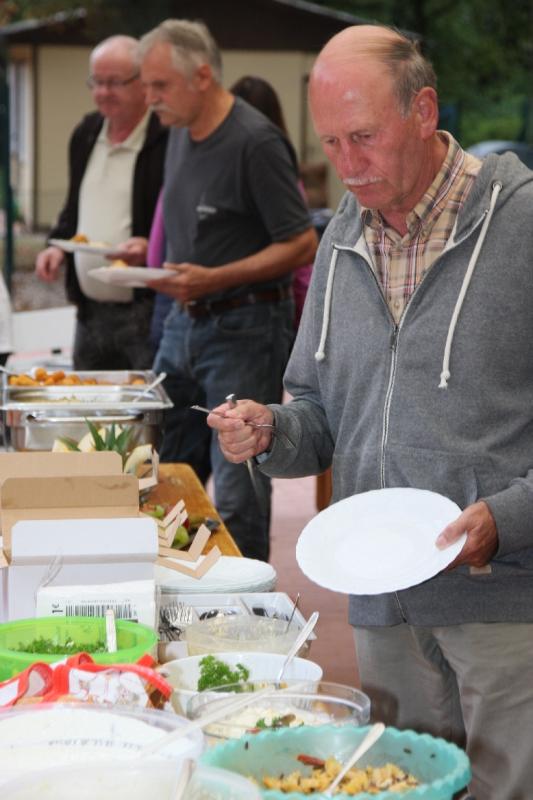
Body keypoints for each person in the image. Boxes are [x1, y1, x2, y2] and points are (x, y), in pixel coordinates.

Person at [207, 24, 533, 800]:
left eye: (363, 137)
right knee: (397, 785)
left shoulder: (520, 225)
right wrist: (270, 430)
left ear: (422, 111)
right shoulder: (341, 237)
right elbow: (319, 410)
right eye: (329, 142)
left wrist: (509, 518)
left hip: (501, 597)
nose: (345, 165)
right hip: (378, 600)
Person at [138, 19, 317, 561]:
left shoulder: (255, 141)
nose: (150, 99)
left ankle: (248, 604)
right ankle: (171, 588)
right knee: (159, 470)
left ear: (202, 76)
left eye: (160, 86)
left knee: (239, 494)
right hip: (182, 322)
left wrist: (214, 278)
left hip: (244, 328)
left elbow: (302, 242)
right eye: (146, 85)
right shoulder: (177, 131)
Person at [35, 35, 168, 370]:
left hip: (146, 310)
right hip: (90, 312)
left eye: (115, 82)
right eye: (96, 82)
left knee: (146, 399)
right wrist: (57, 247)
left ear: (143, 83)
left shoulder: (165, 138)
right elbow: (74, 208)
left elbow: (179, 220)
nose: (103, 92)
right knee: (86, 398)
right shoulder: (86, 132)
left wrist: (152, 247)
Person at [230, 75, 313, 329]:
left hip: (257, 306)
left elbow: (301, 250)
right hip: (267, 305)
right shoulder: (284, 172)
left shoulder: (272, 169)